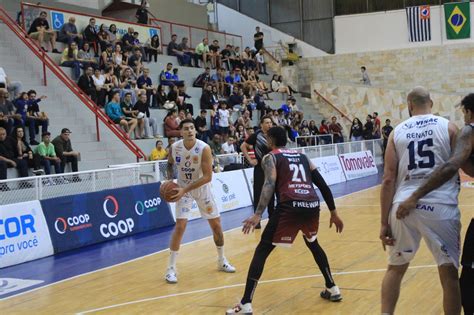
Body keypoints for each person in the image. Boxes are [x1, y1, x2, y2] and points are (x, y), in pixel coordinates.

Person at [226, 126, 344, 314]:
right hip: (312, 205)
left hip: (290, 206)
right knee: (313, 243)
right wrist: (334, 212)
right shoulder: (303, 157)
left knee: (262, 250)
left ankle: (246, 303)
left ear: (270, 141)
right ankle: (332, 287)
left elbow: (269, 184)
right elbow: (321, 184)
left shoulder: (270, 157)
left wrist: (258, 214)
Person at [379, 87, 461, 315]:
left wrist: (383, 222)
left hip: (402, 205)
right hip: (440, 205)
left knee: (395, 269)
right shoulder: (449, 127)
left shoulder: (396, 132)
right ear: (431, 103)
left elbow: (388, 179)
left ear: (409, 105)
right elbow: (459, 165)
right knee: (449, 274)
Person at [396, 92, 474, 315]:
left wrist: (415, 196)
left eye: (464, 113)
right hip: (441, 210)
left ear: (468, 112)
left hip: (424, 200)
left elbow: (451, 167)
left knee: (467, 283)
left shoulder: (469, 130)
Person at [164, 119, 235, 283]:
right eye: (186, 129)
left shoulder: (204, 148)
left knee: (216, 226)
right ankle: (171, 269)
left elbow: (208, 177)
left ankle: (221, 260)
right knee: (180, 226)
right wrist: (170, 181)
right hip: (183, 190)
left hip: (202, 189)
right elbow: (169, 164)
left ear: (195, 131)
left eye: (192, 128)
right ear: (180, 132)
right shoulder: (175, 148)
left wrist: (184, 189)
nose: (189, 131)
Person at [241, 115, 274, 228]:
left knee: (271, 193)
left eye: (270, 122)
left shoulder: (273, 135)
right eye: (267, 122)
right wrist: (250, 160)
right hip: (259, 168)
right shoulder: (256, 135)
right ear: (261, 124)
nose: (269, 124)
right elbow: (243, 146)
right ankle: (257, 221)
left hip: (272, 168)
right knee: (258, 194)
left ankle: (272, 218)